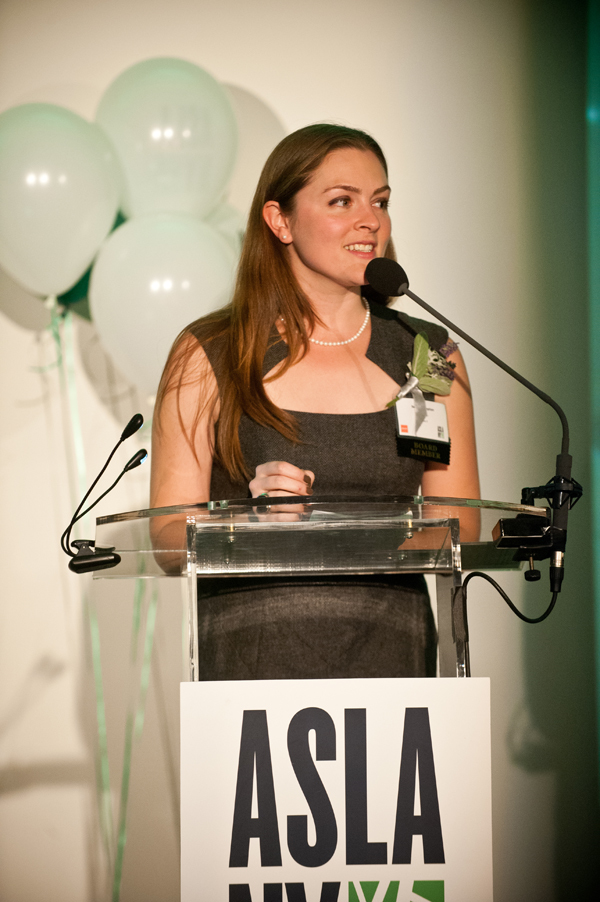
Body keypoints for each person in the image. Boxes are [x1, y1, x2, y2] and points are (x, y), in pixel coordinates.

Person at [150, 123, 480, 680]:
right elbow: (165, 539)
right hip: (251, 670)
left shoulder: (431, 354)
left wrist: (344, 539)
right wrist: (245, 522)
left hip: (394, 665)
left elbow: (461, 525)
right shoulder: (209, 352)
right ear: (280, 220)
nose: (370, 220)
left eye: (380, 202)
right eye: (341, 201)